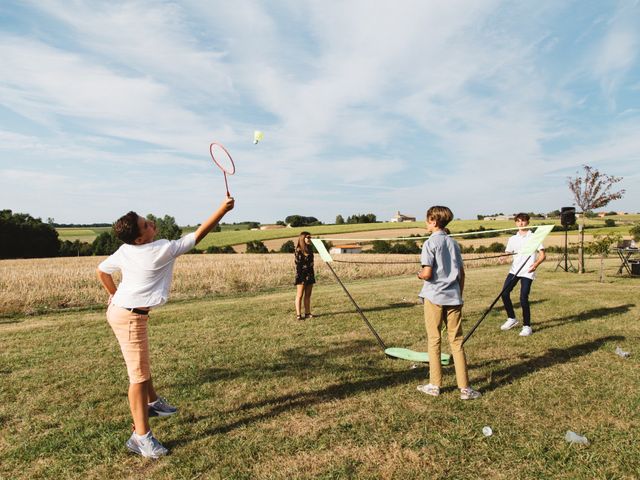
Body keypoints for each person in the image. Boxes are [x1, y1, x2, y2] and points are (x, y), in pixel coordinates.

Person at [97, 196, 234, 458]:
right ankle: (141, 438)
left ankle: (153, 403)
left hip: (124, 313)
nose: (151, 222)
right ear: (139, 238)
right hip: (129, 318)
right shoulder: (162, 248)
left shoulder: (127, 249)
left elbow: (102, 271)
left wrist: (114, 294)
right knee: (137, 377)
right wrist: (222, 210)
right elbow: (199, 234)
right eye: (145, 224)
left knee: (141, 365)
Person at [416, 206, 481, 400]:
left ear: (434, 221)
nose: (426, 223)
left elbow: (427, 273)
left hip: (434, 297)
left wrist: (420, 274)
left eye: (427, 220)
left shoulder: (429, 243)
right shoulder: (454, 244)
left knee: (434, 340)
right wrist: (458, 296)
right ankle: (465, 389)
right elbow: (461, 274)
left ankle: (434, 385)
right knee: (457, 342)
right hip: (454, 297)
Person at [499, 213, 546, 336]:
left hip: (527, 271)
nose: (521, 223)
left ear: (528, 222)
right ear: (515, 223)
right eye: (518, 221)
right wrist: (503, 258)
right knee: (504, 293)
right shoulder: (512, 239)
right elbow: (508, 252)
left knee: (523, 298)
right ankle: (512, 318)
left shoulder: (534, 237)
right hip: (514, 270)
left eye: (523, 221)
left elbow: (542, 255)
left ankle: (527, 326)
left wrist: (535, 265)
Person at [294, 231, 315, 320]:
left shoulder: (310, 249)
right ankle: (299, 314)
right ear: (303, 238)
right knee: (299, 295)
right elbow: (299, 264)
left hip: (310, 274)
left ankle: (307, 313)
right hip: (301, 275)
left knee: (308, 295)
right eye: (308, 237)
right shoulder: (298, 250)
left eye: (310, 237)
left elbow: (311, 262)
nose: (310, 239)